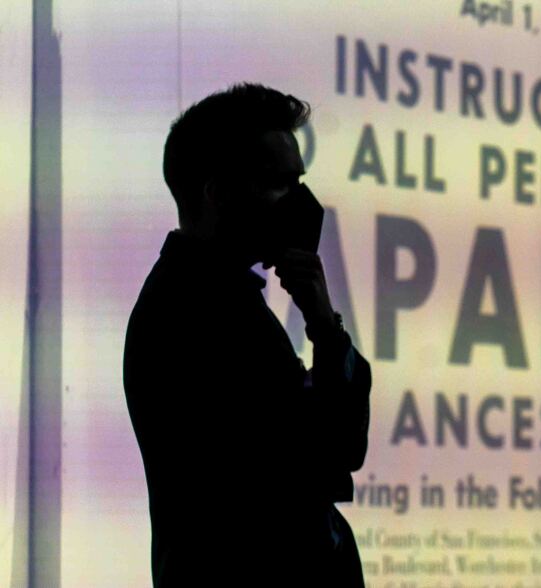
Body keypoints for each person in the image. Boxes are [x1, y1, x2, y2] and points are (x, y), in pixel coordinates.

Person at [122, 82, 371, 586]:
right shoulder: (189, 313)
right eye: (278, 183)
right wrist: (324, 330)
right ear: (217, 192)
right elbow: (327, 452)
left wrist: (325, 325)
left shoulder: (226, 298)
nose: (299, 202)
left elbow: (337, 445)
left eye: (298, 181)